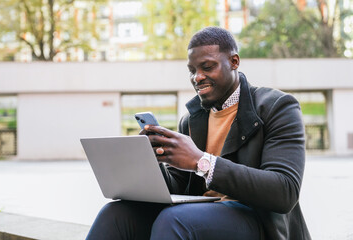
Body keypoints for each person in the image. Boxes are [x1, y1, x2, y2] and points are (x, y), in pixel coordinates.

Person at [86, 26, 311, 240]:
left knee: (175, 220)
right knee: (115, 214)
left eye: (207, 67)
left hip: (259, 221)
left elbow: (285, 191)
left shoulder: (277, 107)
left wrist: (201, 162)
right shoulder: (192, 120)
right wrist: (150, 164)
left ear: (234, 62)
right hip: (202, 213)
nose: (197, 77)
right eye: (192, 71)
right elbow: (178, 187)